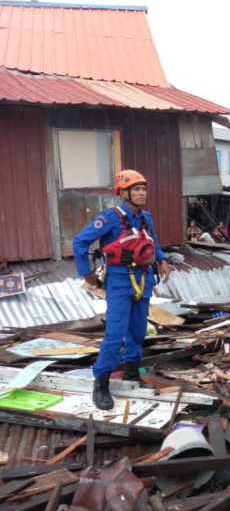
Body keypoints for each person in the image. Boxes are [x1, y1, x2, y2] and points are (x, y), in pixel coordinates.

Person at [73, 169, 171, 410]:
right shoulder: (109, 218)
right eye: (136, 189)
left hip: (143, 279)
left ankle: (131, 373)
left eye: (143, 189)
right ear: (123, 192)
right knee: (115, 334)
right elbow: (80, 241)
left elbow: (153, 241)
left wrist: (162, 259)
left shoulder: (146, 218)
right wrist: (86, 272)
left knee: (138, 331)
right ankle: (101, 383)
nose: (142, 193)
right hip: (118, 281)